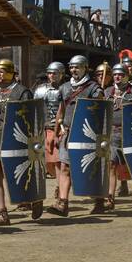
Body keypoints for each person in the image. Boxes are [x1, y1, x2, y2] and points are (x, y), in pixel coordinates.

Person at [0, 59, 35, 226]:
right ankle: (3, 214)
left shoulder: (22, 92)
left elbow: (31, 117)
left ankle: (34, 198)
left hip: (16, 138)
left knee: (22, 174)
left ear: (10, 72)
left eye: (1, 71)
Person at [47, 55, 104, 217]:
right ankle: (63, 203)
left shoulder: (93, 87)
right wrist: (57, 131)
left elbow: (99, 109)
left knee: (90, 168)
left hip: (88, 134)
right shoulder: (65, 87)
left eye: (77, 67)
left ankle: (99, 200)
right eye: (71, 67)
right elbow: (61, 111)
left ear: (85, 68)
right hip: (68, 133)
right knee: (65, 167)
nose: (74, 70)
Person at [103, 63, 132, 210]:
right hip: (112, 133)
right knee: (111, 165)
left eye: (120, 74)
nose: (117, 77)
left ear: (127, 75)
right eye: (115, 74)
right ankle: (110, 198)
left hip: (131, 133)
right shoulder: (107, 92)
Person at [34, 62, 65, 179]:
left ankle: (61, 186)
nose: (51, 76)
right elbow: (35, 109)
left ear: (61, 74)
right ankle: (60, 181)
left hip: (62, 129)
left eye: (54, 73)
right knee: (48, 161)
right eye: (49, 73)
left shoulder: (67, 89)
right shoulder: (40, 90)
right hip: (45, 128)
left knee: (59, 160)